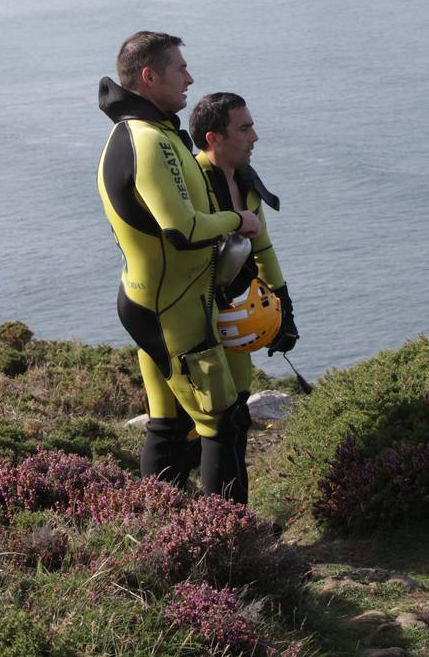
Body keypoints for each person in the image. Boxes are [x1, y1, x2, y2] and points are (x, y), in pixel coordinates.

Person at [96, 32, 261, 500]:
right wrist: (238, 219)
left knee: (167, 425)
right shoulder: (147, 140)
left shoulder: (153, 133)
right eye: (179, 69)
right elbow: (181, 228)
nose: (190, 78)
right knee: (221, 420)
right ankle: (228, 543)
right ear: (149, 77)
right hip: (170, 306)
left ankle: (159, 530)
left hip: (158, 299)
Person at [190, 91, 299, 504]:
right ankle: (193, 520)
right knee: (203, 422)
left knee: (236, 413)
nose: (255, 136)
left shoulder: (246, 181)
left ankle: (236, 520)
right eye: (245, 128)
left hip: (234, 312)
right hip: (193, 314)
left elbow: (263, 247)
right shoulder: (194, 181)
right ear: (214, 137)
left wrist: (285, 308)